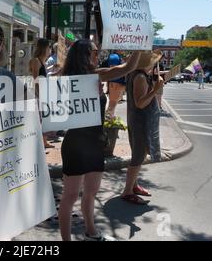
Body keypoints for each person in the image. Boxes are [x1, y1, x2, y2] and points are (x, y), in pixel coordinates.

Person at [58, 40, 141, 241]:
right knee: (69, 197)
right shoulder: (65, 79)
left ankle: (91, 232)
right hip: (76, 144)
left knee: (91, 193)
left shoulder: (98, 74)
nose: (98, 55)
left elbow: (128, 67)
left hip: (95, 142)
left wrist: (140, 44)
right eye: (94, 52)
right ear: (83, 55)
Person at [121, 50, 164, 205]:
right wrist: (155, 90)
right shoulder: (139, 77)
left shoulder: (139, 74)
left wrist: (155, 83)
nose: (154, 64)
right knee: (138, 156)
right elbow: (140, 103)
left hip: (139, 120)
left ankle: (134, 185)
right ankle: (127, 191)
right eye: (152, 62)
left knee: (140, 153)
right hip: (140, 121)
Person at [29, 38, 55, 149]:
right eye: (49, 47)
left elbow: (45, 76)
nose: (50, 49)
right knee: (39, 118)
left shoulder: (42, 61)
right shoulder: (36, 61)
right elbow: (36, 79)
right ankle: (39, 143)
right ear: (44, 48)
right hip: (38, 94)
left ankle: (44, 141)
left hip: (43, 93)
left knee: (43, 118)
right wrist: (39, 95)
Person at [106, 50, 126, 117]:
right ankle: (109, 118)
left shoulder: (117, 56)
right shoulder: (114, 56)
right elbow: (112, 68)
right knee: (112, 103)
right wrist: (125, 65)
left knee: (113, 102)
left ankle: (110, 118)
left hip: (117, 82)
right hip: (115, 83)